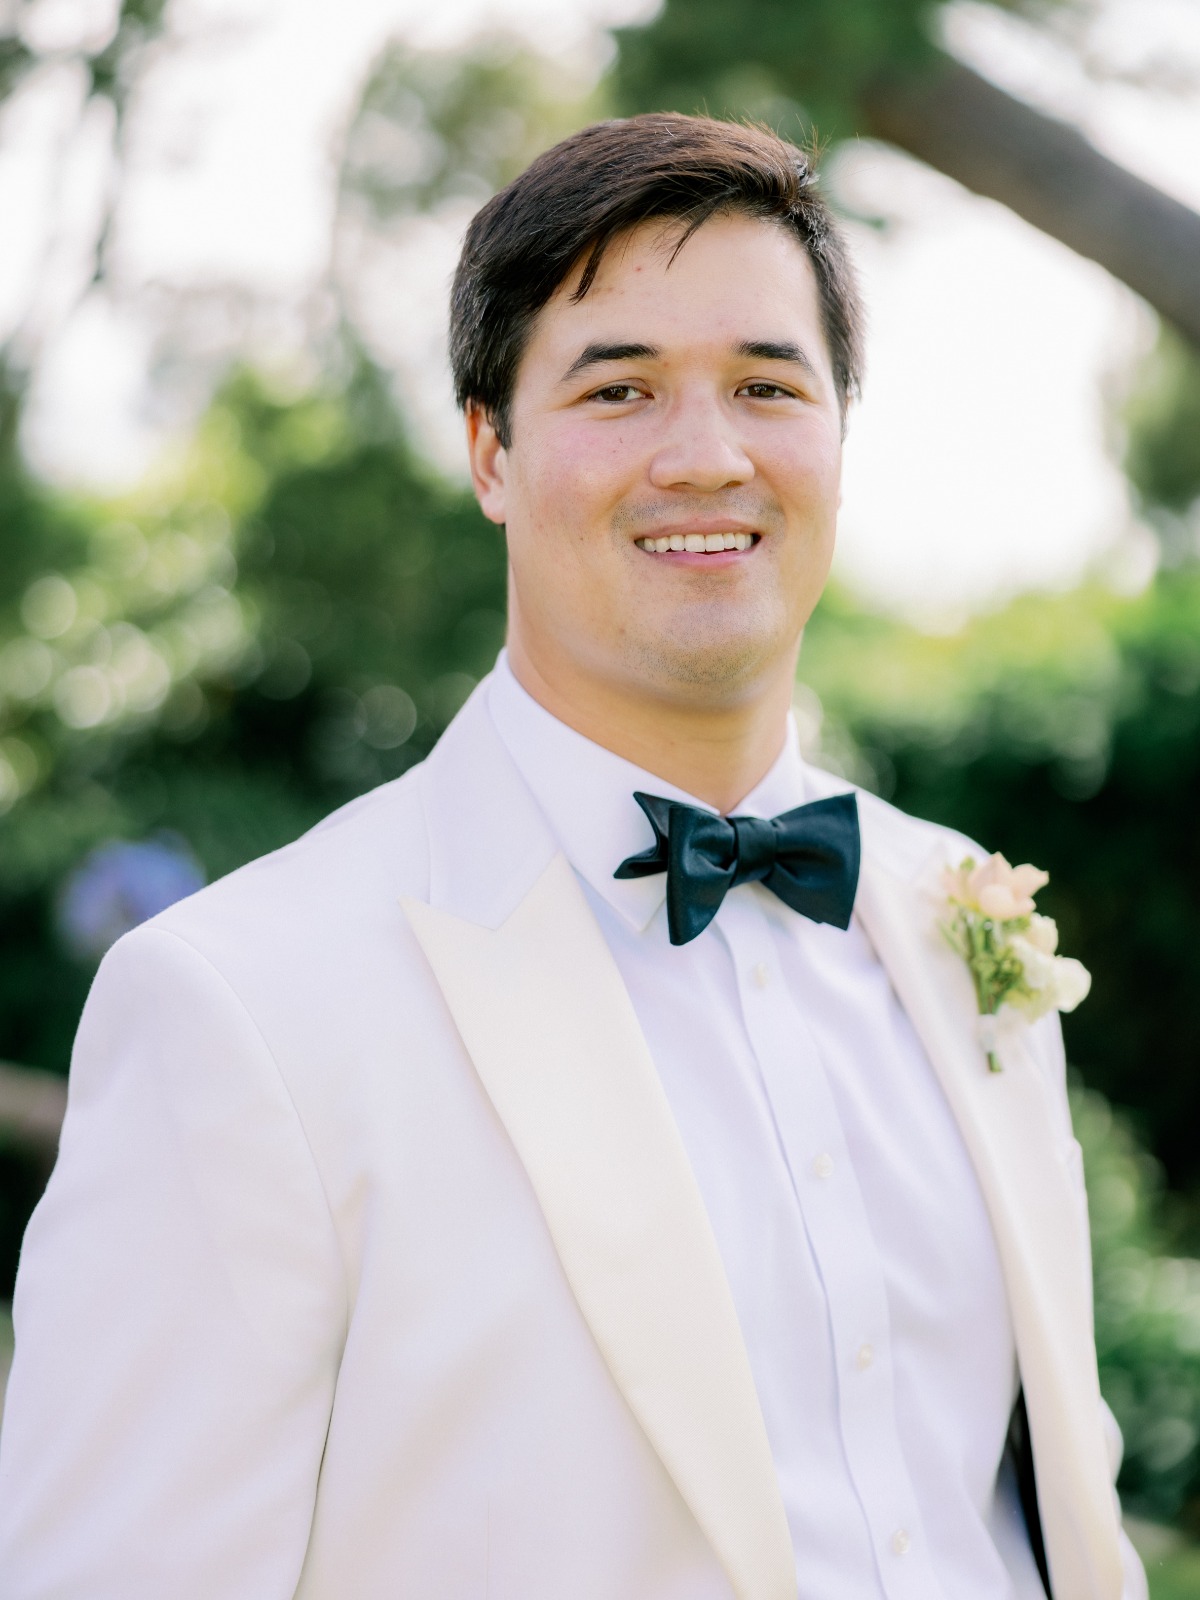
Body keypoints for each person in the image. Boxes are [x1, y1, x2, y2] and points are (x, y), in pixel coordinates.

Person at [0, 114, 1146, 1600]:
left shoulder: (955, 920)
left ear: (839, 444)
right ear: (490, 452)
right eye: (620, 388)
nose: (707, 453)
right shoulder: (239, 1009)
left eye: (765, 384)